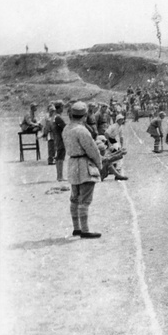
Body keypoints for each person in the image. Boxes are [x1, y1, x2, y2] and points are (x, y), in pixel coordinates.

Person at [62, 101, 102, 238]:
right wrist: (99, 164)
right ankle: (85, 230)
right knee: (85, 199)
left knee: (74, 198)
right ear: (84, 116)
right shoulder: (82, 130)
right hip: (84, 164)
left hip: (72, 164)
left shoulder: (66, 129)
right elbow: (92, 150)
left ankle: (76, 228)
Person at [53, 101, 67, 181]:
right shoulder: (58, 117)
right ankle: (60, 176)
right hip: (60, 138)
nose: (63, 109)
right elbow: (64, 127)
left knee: (59, 157)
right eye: (62, 107)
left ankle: (59, 176)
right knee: (60, 157)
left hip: (57, 138)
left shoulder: (55, 116)